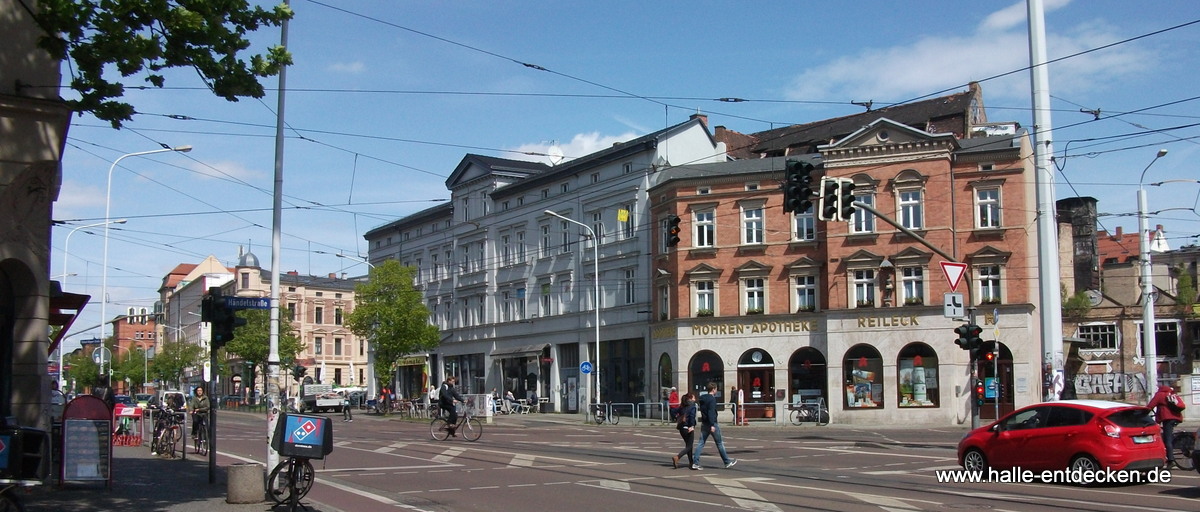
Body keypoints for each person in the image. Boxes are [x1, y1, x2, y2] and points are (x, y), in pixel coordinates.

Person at [692, 382, 736, 470]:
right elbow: (711, 412)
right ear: (713, 389)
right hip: (712, 423)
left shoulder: (703, 398)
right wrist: (712, 424)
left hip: (704, 423)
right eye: (716, 389)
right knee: (719, 443)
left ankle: (695, 462)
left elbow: (705, 411)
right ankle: (727, 461)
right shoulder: (712, 399)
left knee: (701, 443)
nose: (716, 390)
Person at [1148, 384, 1185, 467]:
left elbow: (1150, 406)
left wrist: (1142, 414)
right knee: (1168, 436)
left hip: (1167, 418)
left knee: (1167, 439)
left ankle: (1171, 460)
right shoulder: (1171, 393)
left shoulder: (1159, 394)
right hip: (1176, 417)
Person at [672, 393, 697, 469]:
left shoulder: (682, 406)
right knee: (689, 446)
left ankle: (691, 462)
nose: (694, 398)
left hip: (681, 428)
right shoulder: (692, 406)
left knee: (688, 446)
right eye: (693, 397)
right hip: (688, 428)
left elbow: (673, 411)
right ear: (690, 399)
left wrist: (676, 417)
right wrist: (692, 426)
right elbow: (692, 417)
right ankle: (677, 457)